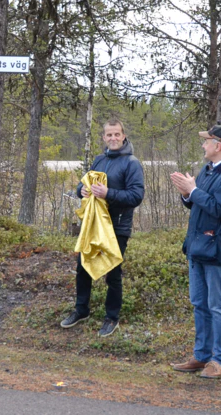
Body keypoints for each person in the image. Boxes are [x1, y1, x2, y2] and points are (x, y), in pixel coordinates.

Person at [169, 125, 221, 379]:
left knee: (217, 306)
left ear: (218, 146)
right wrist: (186, 194)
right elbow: (199, 205)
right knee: (199, 304)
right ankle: (201, 356)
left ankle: (219, 361)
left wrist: (193, 190)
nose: (203, 146)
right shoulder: (208, 170)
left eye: (206, 142)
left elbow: (220, 209)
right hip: (198, 248)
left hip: (218, 250)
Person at [60, 119, 145, 337]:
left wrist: (108, 194)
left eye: (117, 134)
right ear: (103, 137)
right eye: (109, 135)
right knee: (83, 266)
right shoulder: (99, 160)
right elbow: (82, 184)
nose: (113, 138)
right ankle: (81, 310)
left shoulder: (132, 163)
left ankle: (112, 317)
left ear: (124, 136)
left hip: (116, 227)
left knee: (113, 273)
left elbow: (136, 196)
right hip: (93, 226)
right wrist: (83, 191)